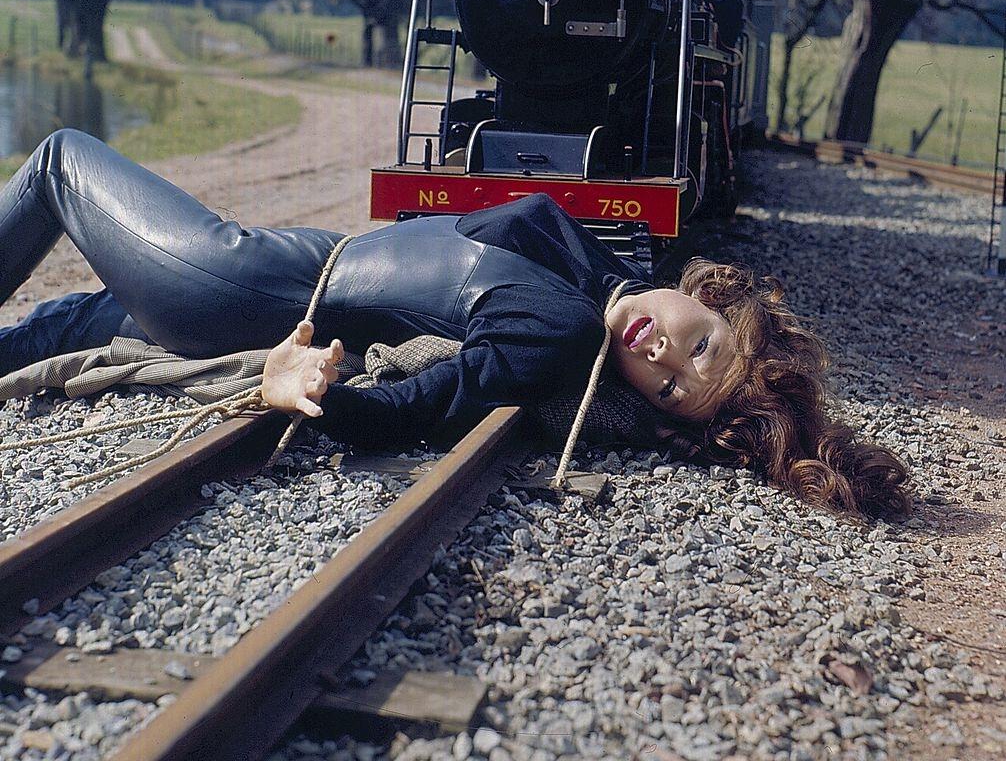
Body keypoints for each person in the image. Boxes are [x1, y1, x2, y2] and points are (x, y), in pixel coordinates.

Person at [1, 129, 909, 517]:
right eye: (697, 343)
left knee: (58, 163)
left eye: (671, 388)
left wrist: (305, 394)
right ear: (712, 298)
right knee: (65, 326)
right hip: (263, 272)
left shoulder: (555, 337)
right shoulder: (604, 282)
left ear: (649, 406)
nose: (662, 354)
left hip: (236, 282)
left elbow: (411, 411)